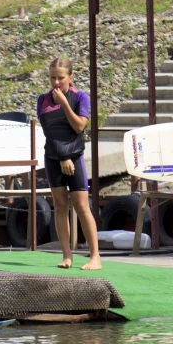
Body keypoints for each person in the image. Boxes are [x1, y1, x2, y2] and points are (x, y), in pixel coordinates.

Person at [37, 58, 101, 270]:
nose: (56, 82)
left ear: (70, 78)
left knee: (82, 206)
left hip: (74, 155)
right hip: (54, 157)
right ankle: (67, 255)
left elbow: (79, 127)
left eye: (61, 78)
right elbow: (50, 132)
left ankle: (95, 257)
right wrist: (61, 157)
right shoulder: (43, 100)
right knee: (60, 206)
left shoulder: (79, 97)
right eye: (52, 77)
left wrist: (64, 103)